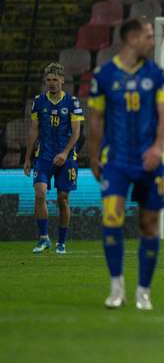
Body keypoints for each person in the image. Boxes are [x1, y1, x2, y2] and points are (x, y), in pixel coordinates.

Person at [87, 17, 164, 310]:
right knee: (112, 217)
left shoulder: (157, 75)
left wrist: (158, 147)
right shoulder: (104, 75)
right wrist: (93, 154)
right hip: (117, 160)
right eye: (149, 36)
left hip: (150, 160)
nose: (153, 41)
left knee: (149, 225)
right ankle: (116, 287)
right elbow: (95, 118)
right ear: (132, 39)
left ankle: (143, 291)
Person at [24, 63, 83, 255]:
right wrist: (27, 157)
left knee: (62, 199)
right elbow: (34, 130)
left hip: (66, 156)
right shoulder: (38, 101)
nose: (51, 83)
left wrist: (65, 153)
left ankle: (61, 242)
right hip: (44, 155)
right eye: (48, 80)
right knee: (39, 193)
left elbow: (76, 133)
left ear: (62, 81)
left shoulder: (72, 102)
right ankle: (43, 239)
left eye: (55, 80)